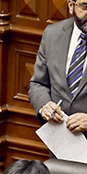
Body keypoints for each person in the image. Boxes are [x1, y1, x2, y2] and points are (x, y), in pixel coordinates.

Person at [29, 0, 87, 137]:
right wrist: (44, 105)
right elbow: (38, 83)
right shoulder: (52, 34)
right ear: (71, 5)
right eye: (85, 6)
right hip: (60, 143)